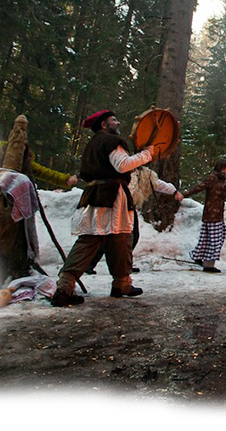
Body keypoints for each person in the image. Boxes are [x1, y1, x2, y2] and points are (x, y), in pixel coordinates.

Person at [52, 110, 154, 307]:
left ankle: (120, 284)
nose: (118, 122)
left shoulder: (92, 144)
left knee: (117, 240)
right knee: (101, 239)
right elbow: (123, 165)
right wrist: (146, 154)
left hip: (98, 194)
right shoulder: (109, 141)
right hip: (110, 196)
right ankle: (67, 288)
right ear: (104, 125)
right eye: (113, 120)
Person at [85, 165, 183, 275]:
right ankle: (89, 264)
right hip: (115, 207)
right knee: (107, 236)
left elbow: (158, 184)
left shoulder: (146, 175)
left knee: (133, 237)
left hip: (129, 208)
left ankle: (125, 265)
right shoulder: (121, 169)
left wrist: (174, 192)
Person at [183, 159, 226, 273]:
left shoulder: (223, 181)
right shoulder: (212, 178)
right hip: (211, 215)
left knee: (208, 239)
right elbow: (199, 187)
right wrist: (183, 195)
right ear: (222, 167)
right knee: (215, 240)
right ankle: (208, 265)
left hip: (216, 215)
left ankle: (198, 257)